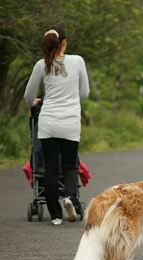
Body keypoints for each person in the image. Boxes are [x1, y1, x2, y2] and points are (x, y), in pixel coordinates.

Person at [24, 25, 89, 226]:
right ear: (64, 42)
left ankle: (55, 214)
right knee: (70, 165)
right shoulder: (77, 61)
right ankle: (70, 197)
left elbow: (28, 95)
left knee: (51, 166)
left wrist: (35, 102)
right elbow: (84, 93)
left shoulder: (41, 65)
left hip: (48, 123)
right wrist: (71, 100)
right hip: (70, 121)